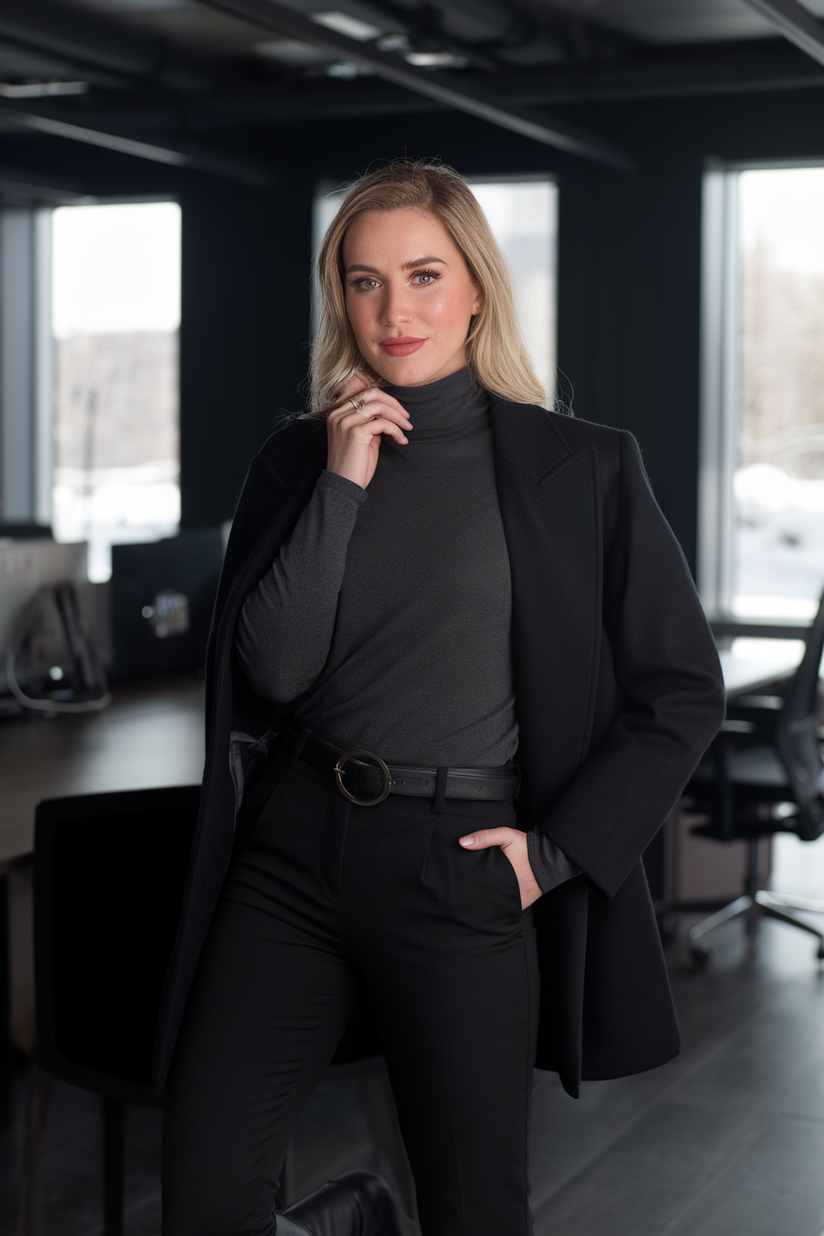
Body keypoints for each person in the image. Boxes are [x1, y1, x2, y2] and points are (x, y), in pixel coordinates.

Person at [157, 158, 726, 1236]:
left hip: (460, 869)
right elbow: (270, 673)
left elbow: (679, 692)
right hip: (290, 859)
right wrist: (341, 481)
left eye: (422, 275)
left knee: (471, 1211)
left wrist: (552, 856)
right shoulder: (295, 463)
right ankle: (352, 1217)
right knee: (202, 1198)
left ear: (474, 287)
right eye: (363, 282)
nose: (393, 309)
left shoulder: (585, 468)